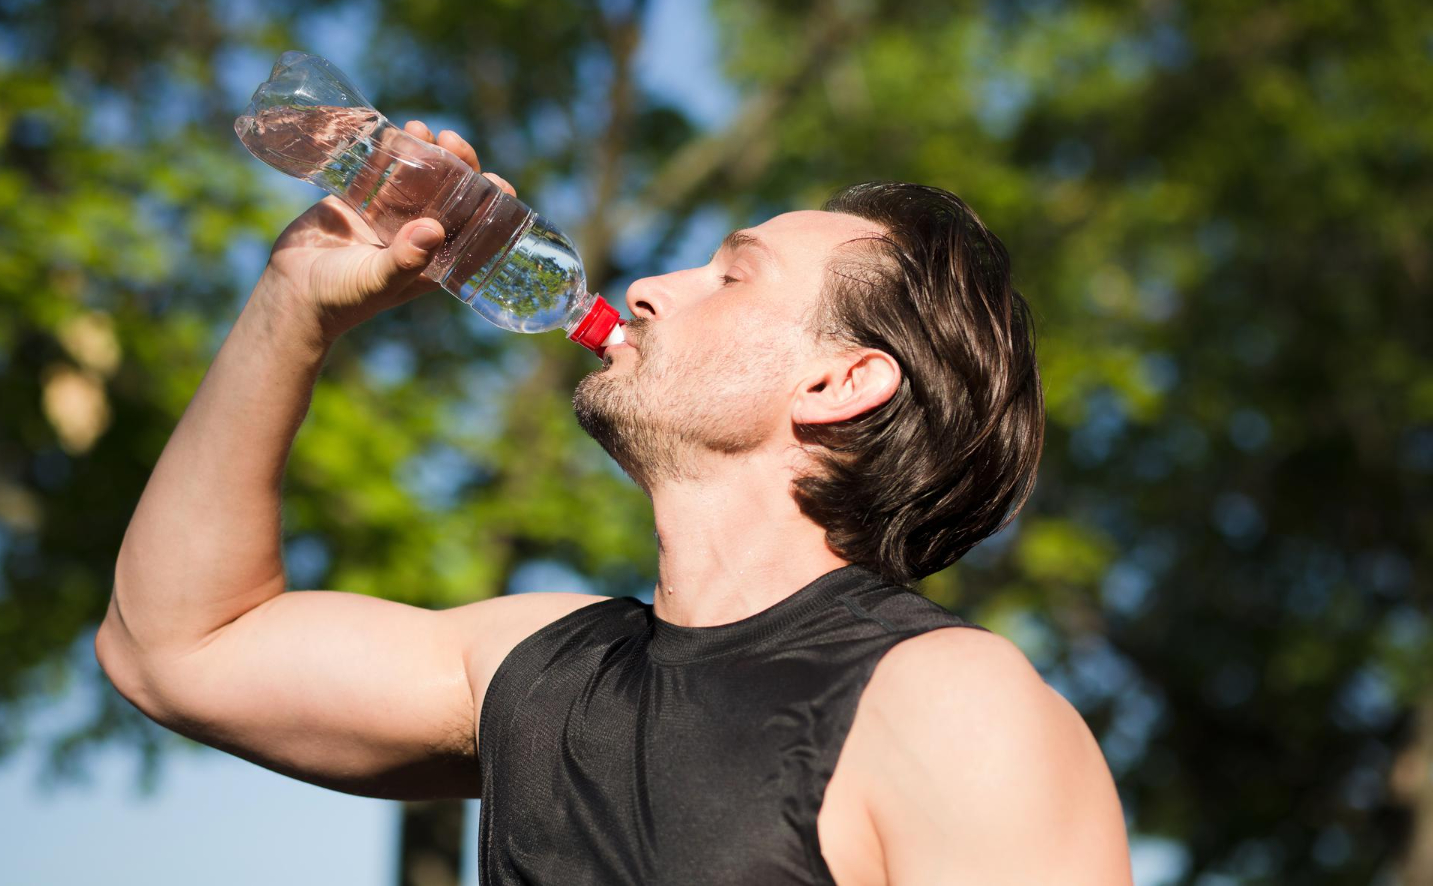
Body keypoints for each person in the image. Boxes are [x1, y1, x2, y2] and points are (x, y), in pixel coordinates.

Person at [97, 121, 1133, 885]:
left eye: (732, 276)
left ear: (838, 383)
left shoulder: (949, 704)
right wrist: (292, 304)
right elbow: (174, 648)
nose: (647, 288)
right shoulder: (541, 665)